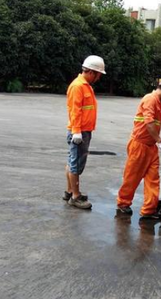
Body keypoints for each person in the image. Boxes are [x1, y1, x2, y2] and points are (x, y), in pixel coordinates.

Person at [116, 76, 161, 219]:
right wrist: (160, 142)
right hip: (139, 145)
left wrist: (156, 143)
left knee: (153, 179)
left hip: (150, 147)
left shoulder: (158, 102)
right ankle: (123, 203)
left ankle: (149, 210)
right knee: (132, 177)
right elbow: (149, 123)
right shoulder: (150, 99)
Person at [63, 55, 106, 209]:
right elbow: (75, 111)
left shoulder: (85, 85)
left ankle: (70, 191)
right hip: (79, 132)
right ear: (91, 72)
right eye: (99, 74)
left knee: (72, 161)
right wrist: (76, 132)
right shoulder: (78, 86)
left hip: (83, 130)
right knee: (76, 164)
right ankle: (75, 196)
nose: (99, 77)